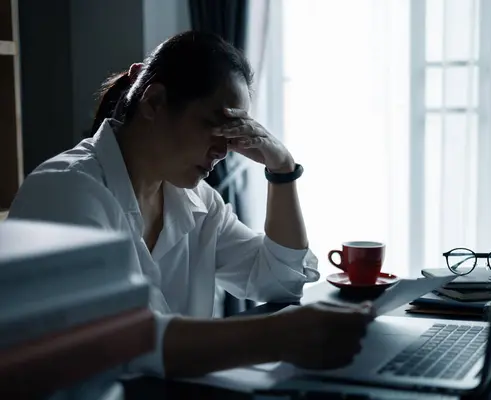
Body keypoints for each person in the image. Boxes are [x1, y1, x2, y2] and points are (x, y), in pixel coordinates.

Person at [7, 31, 373, 378]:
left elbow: (280, 280)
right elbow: (124, 342)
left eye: (235, 133)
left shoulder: (196, 200)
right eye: (216, 125)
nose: (223, 150)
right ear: (154, 102)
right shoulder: (68, 189)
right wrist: (278, 335)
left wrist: (282, 169)